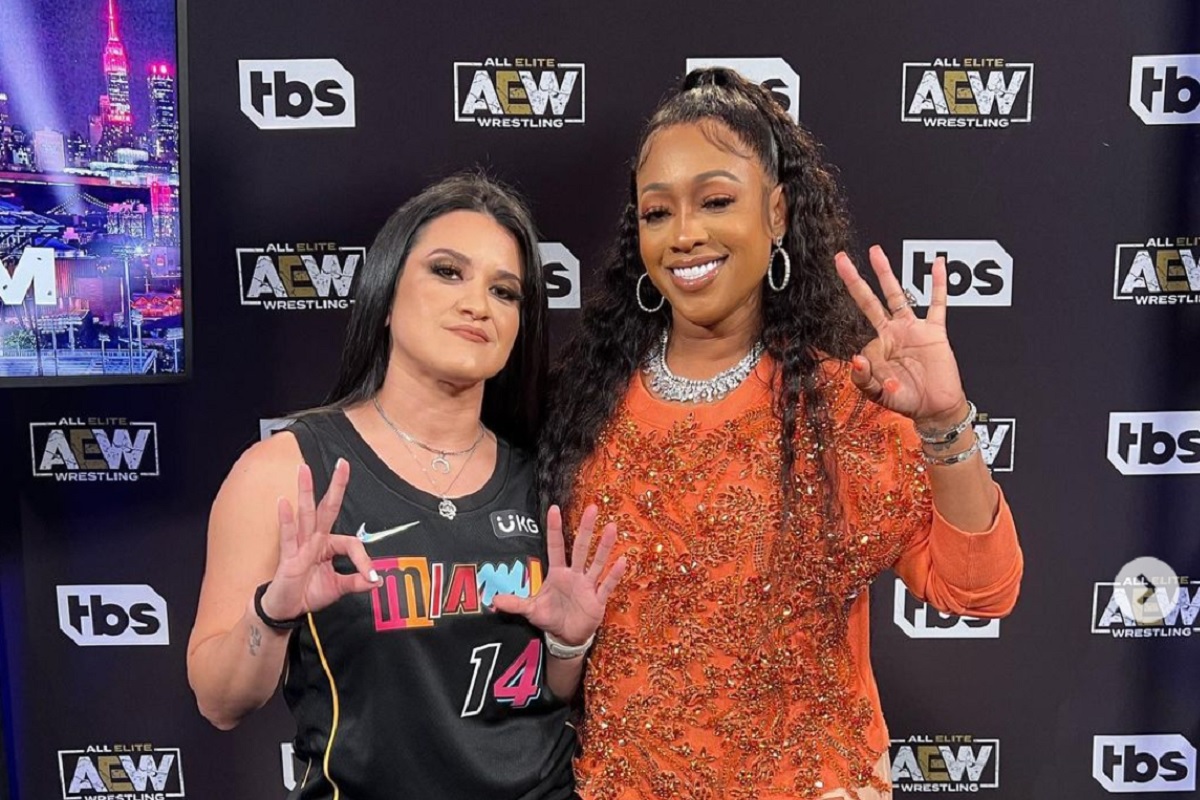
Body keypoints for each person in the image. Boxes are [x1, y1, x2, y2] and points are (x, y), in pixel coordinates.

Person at [537, 69, 1024, 800]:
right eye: (658, 212)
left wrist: (943, 422)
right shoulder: (587, 404)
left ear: (777, 213)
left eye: (716, 201)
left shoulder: (843, 400)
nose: (685, 234)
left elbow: (978, 591)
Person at [187, 173, 626, 800]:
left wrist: (568, 645)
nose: (477, 304)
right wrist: (273, 613)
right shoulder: (286, 471)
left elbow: (550, 695)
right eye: (448, 272)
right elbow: (219, 701)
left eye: (504, 291)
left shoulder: (548, 474)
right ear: (387, 296)